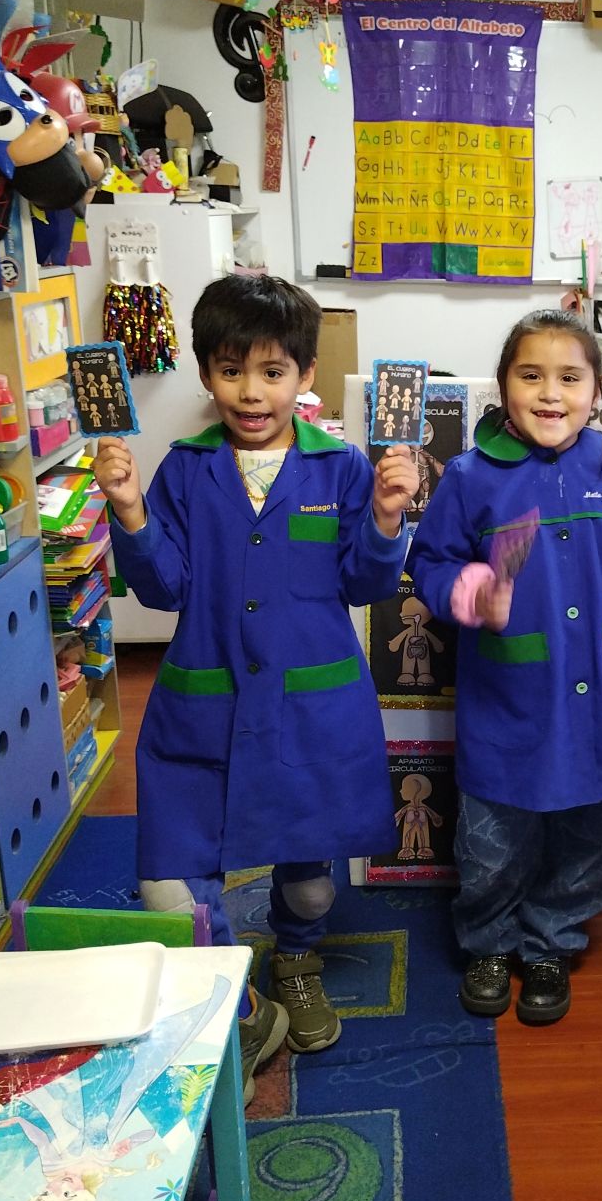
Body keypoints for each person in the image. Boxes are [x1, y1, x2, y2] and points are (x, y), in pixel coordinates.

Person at [92, 273, 418, 1095]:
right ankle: (229, 1005)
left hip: (312, 707)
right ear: (206, 372)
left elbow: (364, 583)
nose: (251, 391)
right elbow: (164, 587)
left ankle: (295, 963)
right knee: (168, 888)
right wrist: (129, 511)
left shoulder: (342, 467)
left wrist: (386, 518)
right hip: (202, 703)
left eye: (273, 372)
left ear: (304, 375)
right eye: (232, 370)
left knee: (308, 875)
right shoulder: (185, 469)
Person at [409, 308, 602, 1025]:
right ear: (504, 386)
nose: (551, 393)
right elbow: (431, 561)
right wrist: (467, 589)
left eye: (570, 378)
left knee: (585, 834)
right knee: (492, 839)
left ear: (596, 390)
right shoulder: (470, 477)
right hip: (509, 694)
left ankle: (553, 940)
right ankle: (489, 941)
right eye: (531, 375)